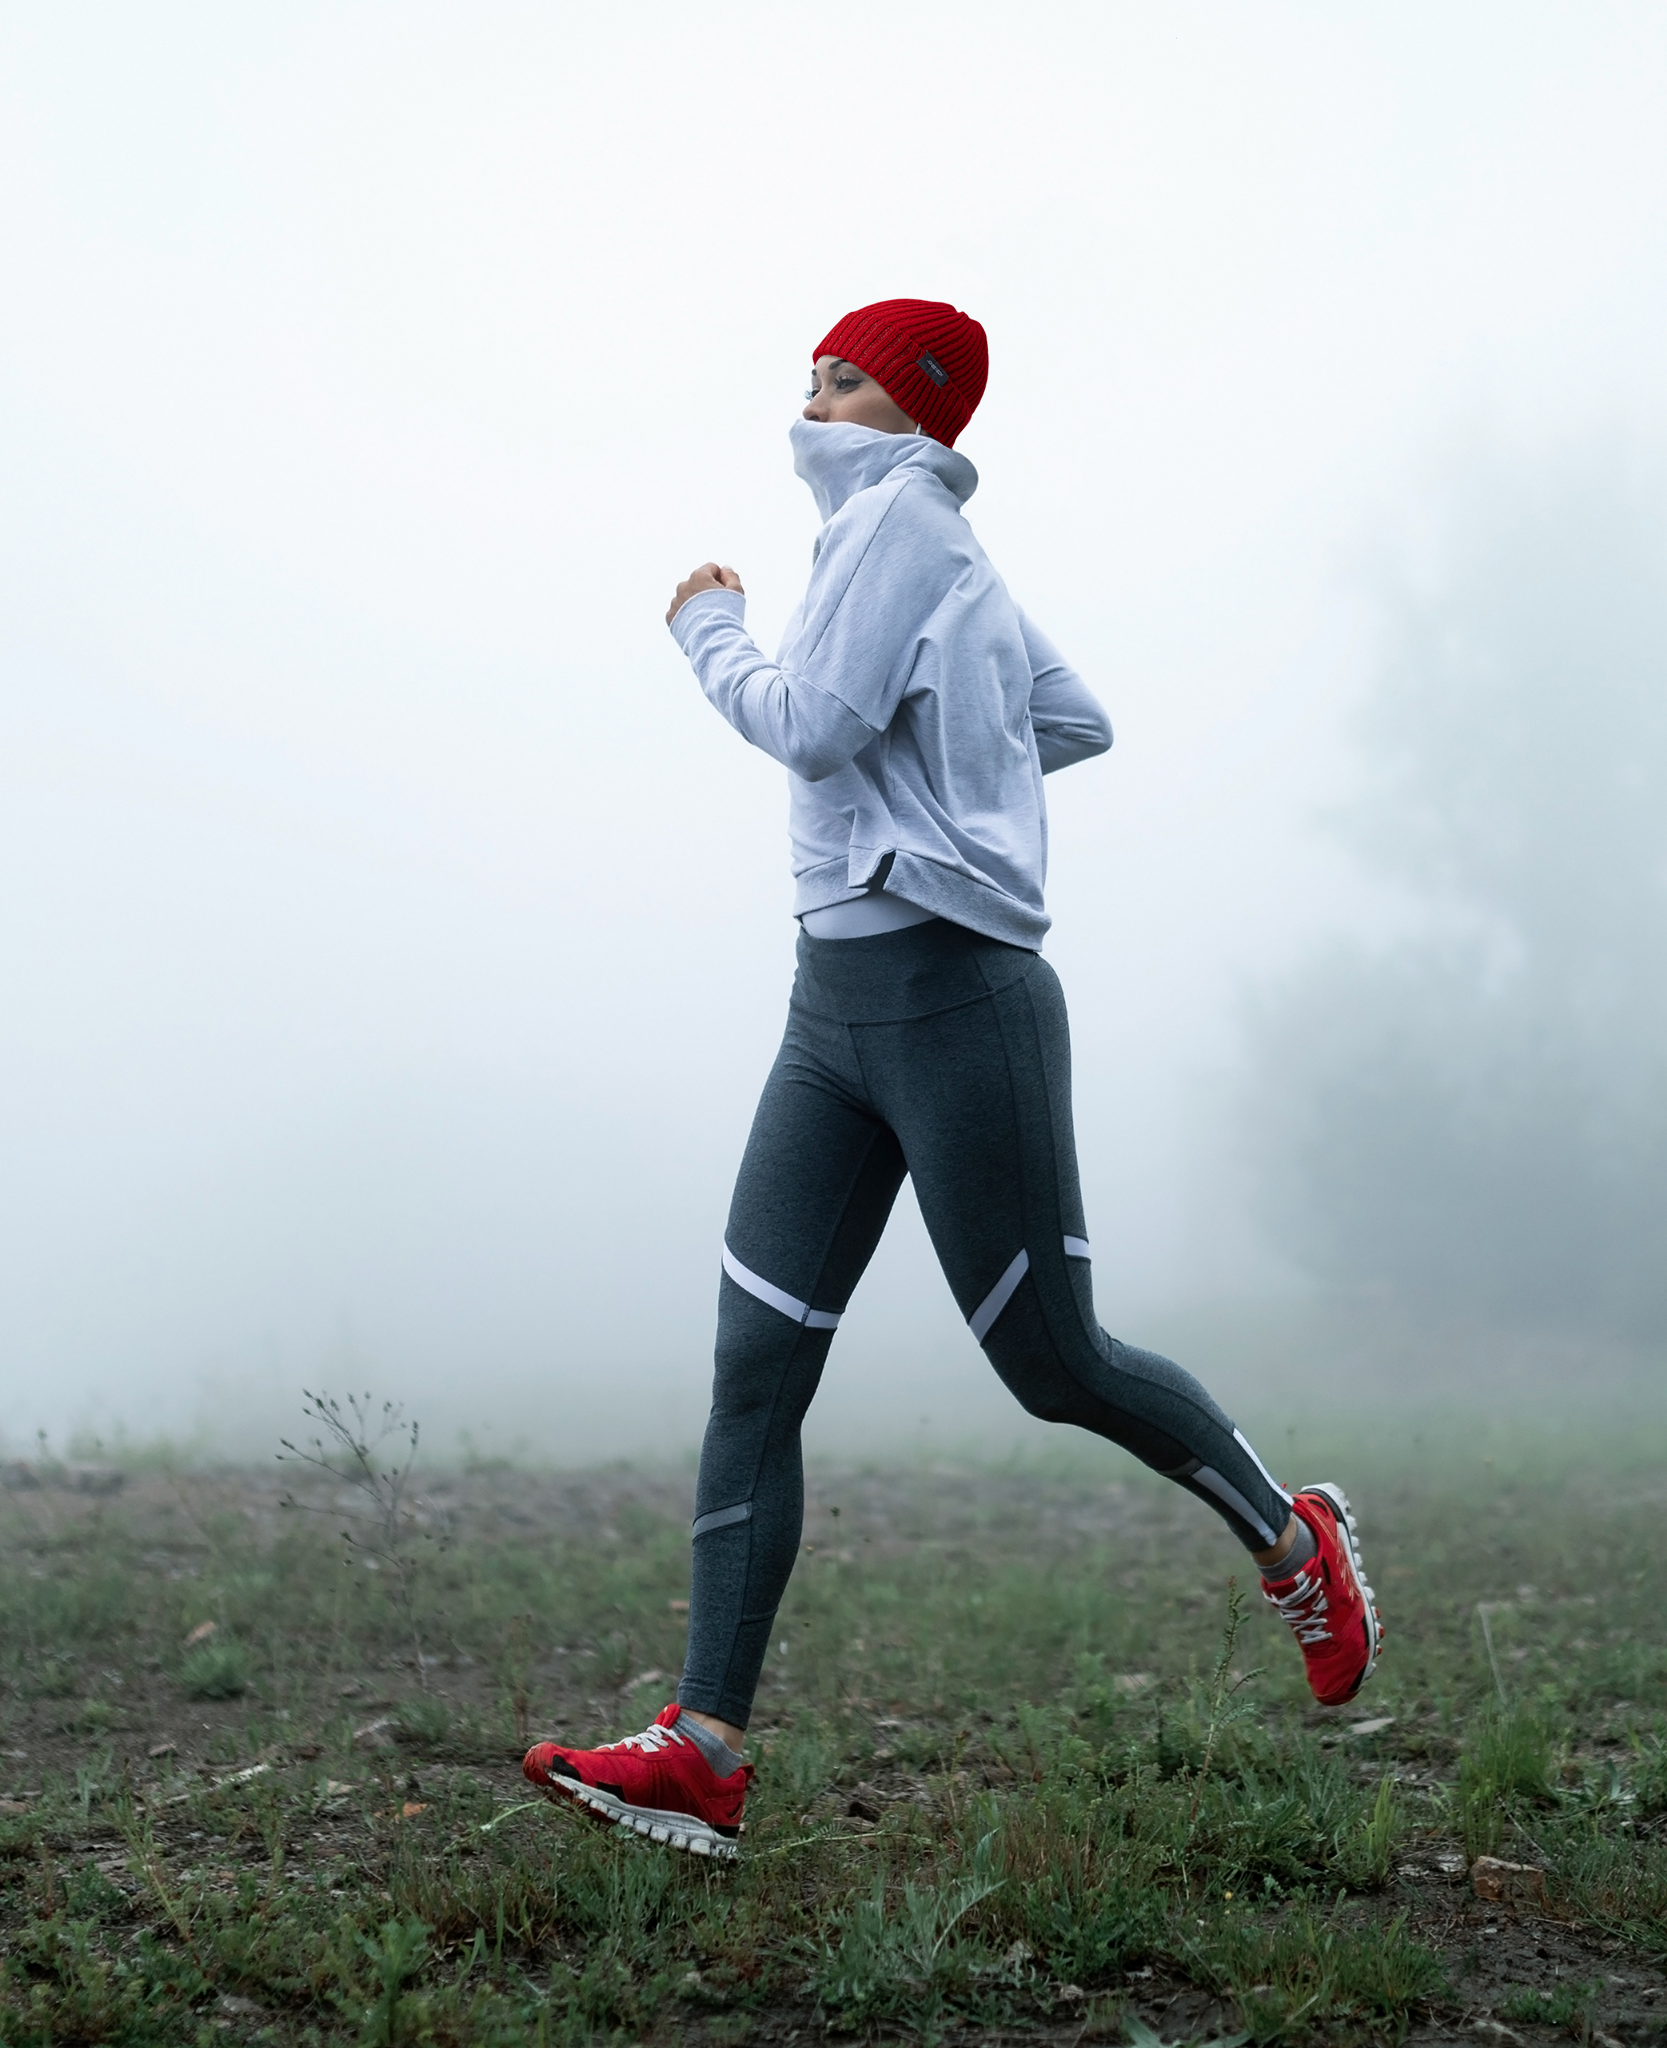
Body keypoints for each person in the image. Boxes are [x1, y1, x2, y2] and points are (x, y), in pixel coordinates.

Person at [523, 299, 1382, 1860]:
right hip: (828, 1013)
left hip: (954, 1004)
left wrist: (706, 621)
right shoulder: (908, 548)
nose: (810, 395)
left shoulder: (906, 529)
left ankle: (1291, 1532)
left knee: (1053, 1364)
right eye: (811, 370)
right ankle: (705, 1746)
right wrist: (954, 775)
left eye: (841, 376)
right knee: (753, 1370)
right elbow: (1068, 717)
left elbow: (810, 722)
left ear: (912, 412)